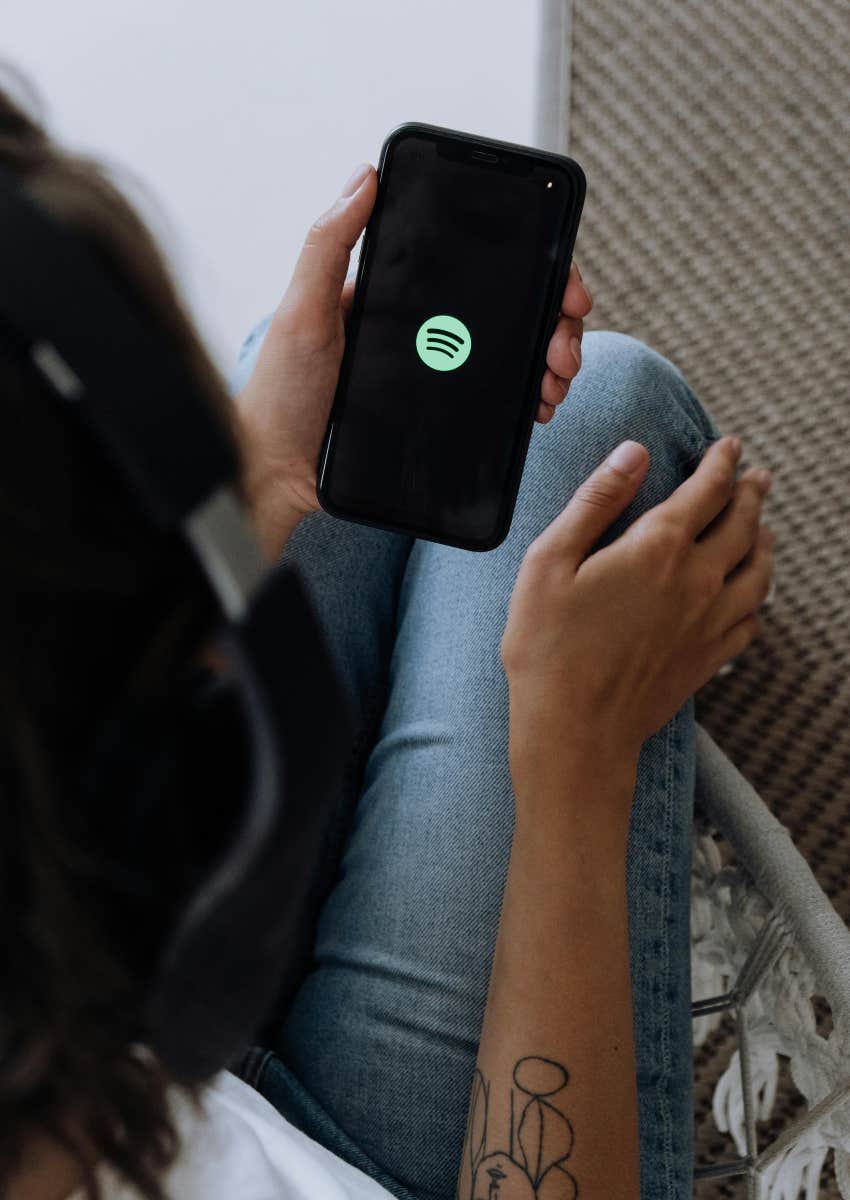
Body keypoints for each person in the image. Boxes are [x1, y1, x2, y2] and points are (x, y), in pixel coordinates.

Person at [0, 75, 774, 1200]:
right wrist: (575, 768)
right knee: (599, 416)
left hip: (166, 1065)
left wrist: (258, 488)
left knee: (359, 387)